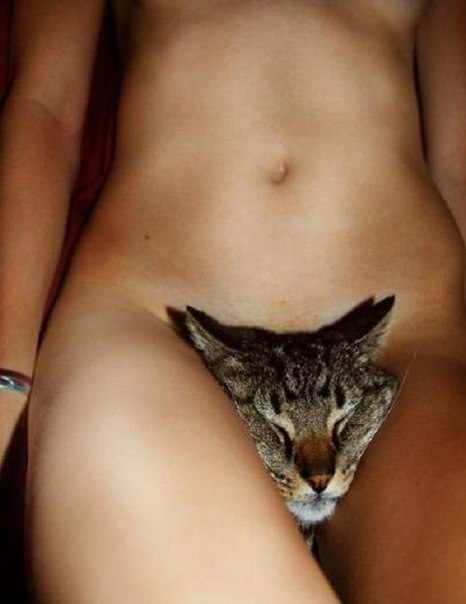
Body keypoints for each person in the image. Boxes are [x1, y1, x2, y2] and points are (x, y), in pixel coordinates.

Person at [0, 0, 465, 602]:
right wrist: (5, 386)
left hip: (406, 340)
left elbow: (459, 162)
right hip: (154, 323)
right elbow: (43, 114)